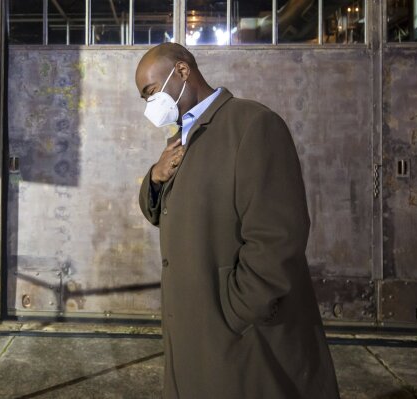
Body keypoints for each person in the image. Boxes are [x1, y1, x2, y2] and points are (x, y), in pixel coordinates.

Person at [136, 43, 341, 398]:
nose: (150, 105)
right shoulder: (184, 137)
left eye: (151, 92)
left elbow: (278, 236)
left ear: (183, 72)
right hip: (196, 326)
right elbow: (163, 211)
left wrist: (236, 311)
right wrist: (155, 176)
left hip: (238, 333)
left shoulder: (252, 125)